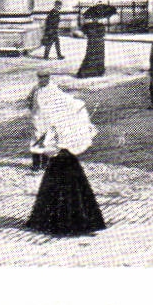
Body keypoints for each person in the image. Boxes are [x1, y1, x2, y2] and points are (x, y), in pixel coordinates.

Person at [26, 76, 105, 236]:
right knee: (73, 187)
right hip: (65, 154)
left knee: (60, 186)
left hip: (60, 154)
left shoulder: (54, 101)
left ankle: (57, 221)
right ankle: (77, 220)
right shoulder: (54, 99)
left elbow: (45, 128)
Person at [26, 71, 59, 171]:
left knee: (48, 140)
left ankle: (45, 164)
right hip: (37, 117)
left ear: (49, 78)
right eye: (40, 78)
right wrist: (32, 110)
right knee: (36, 139)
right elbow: (29, 99)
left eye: (45, 78)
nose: (43, 80)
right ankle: (36, 164)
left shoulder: (53, 89)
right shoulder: (36, 88)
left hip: (50, 118)